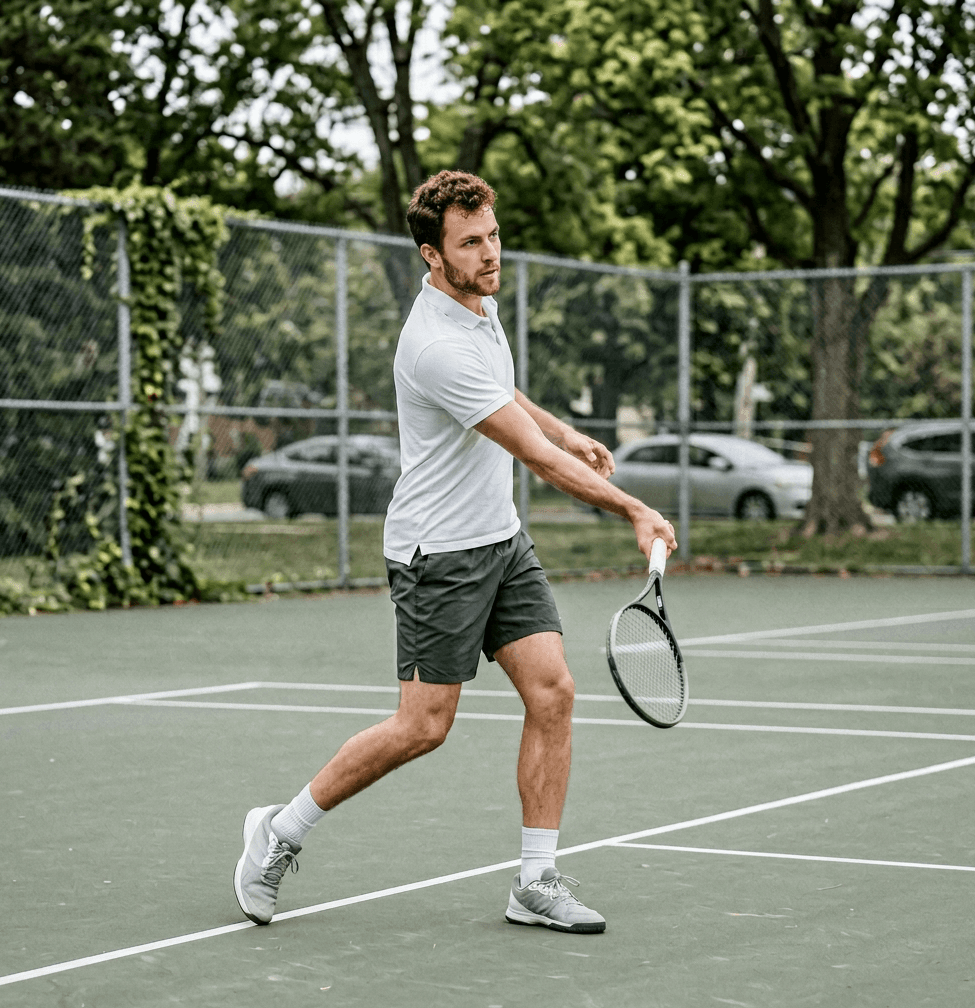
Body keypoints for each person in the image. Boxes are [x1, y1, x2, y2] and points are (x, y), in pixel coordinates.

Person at [234, 170, 676, 935]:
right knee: (423, 727)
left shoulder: (478, 306)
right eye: (470, 243)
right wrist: (635, 509)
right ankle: (280, 829)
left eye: (493, 235)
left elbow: (506, 396)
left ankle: (534, 881)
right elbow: (534, 459)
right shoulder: (434, 344)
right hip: (437, 556)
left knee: (553, 693)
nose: (490, 253)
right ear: (432, 256)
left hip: (501, 541)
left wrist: (565, 429)